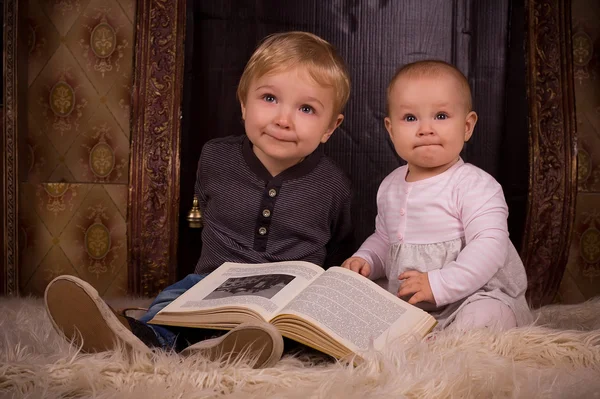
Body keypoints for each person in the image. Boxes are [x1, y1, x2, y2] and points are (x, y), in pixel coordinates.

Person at [45, 31, 354, 368]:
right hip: (213, 284)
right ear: (243, 103)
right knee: (171, 302)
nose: (283, 119)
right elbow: (210, 211)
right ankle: (139, 336)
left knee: (294, 332)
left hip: (286, 299)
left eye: (306, 108)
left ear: (329, 128)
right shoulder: (216, 158)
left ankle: (232, 348)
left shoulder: (332, 184)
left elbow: (337, 248)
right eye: (269, 98)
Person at [342, 60, 532, 332]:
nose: (425, 129)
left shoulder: (474, 185)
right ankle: (416, 337)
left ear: (467, 126)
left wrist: (439, 284)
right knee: (361, 309)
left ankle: (455, 338)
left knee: (486, 316)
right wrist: (367, 260)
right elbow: (385, 240)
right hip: (410, 299)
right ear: (391, 129)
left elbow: (490, 246)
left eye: (441, 116)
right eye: (410, 118)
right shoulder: (390, 186)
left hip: (472, 294)